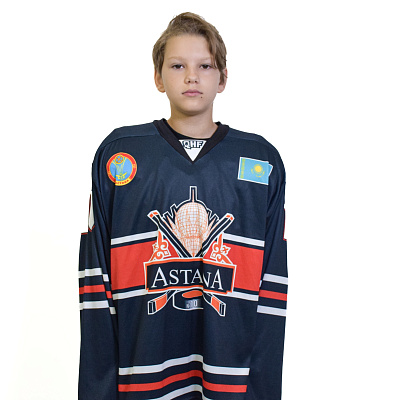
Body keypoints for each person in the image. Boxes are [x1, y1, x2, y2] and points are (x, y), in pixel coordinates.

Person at [78, 11, 288, 400]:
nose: (192, 76)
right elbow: (95, 283)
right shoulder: (118, 156)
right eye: (178, 66)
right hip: (142, 377)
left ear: (222, 78)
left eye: (204, 66)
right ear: (158, 78)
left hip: (228, 379)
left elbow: (273, 288)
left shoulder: (262, 161)